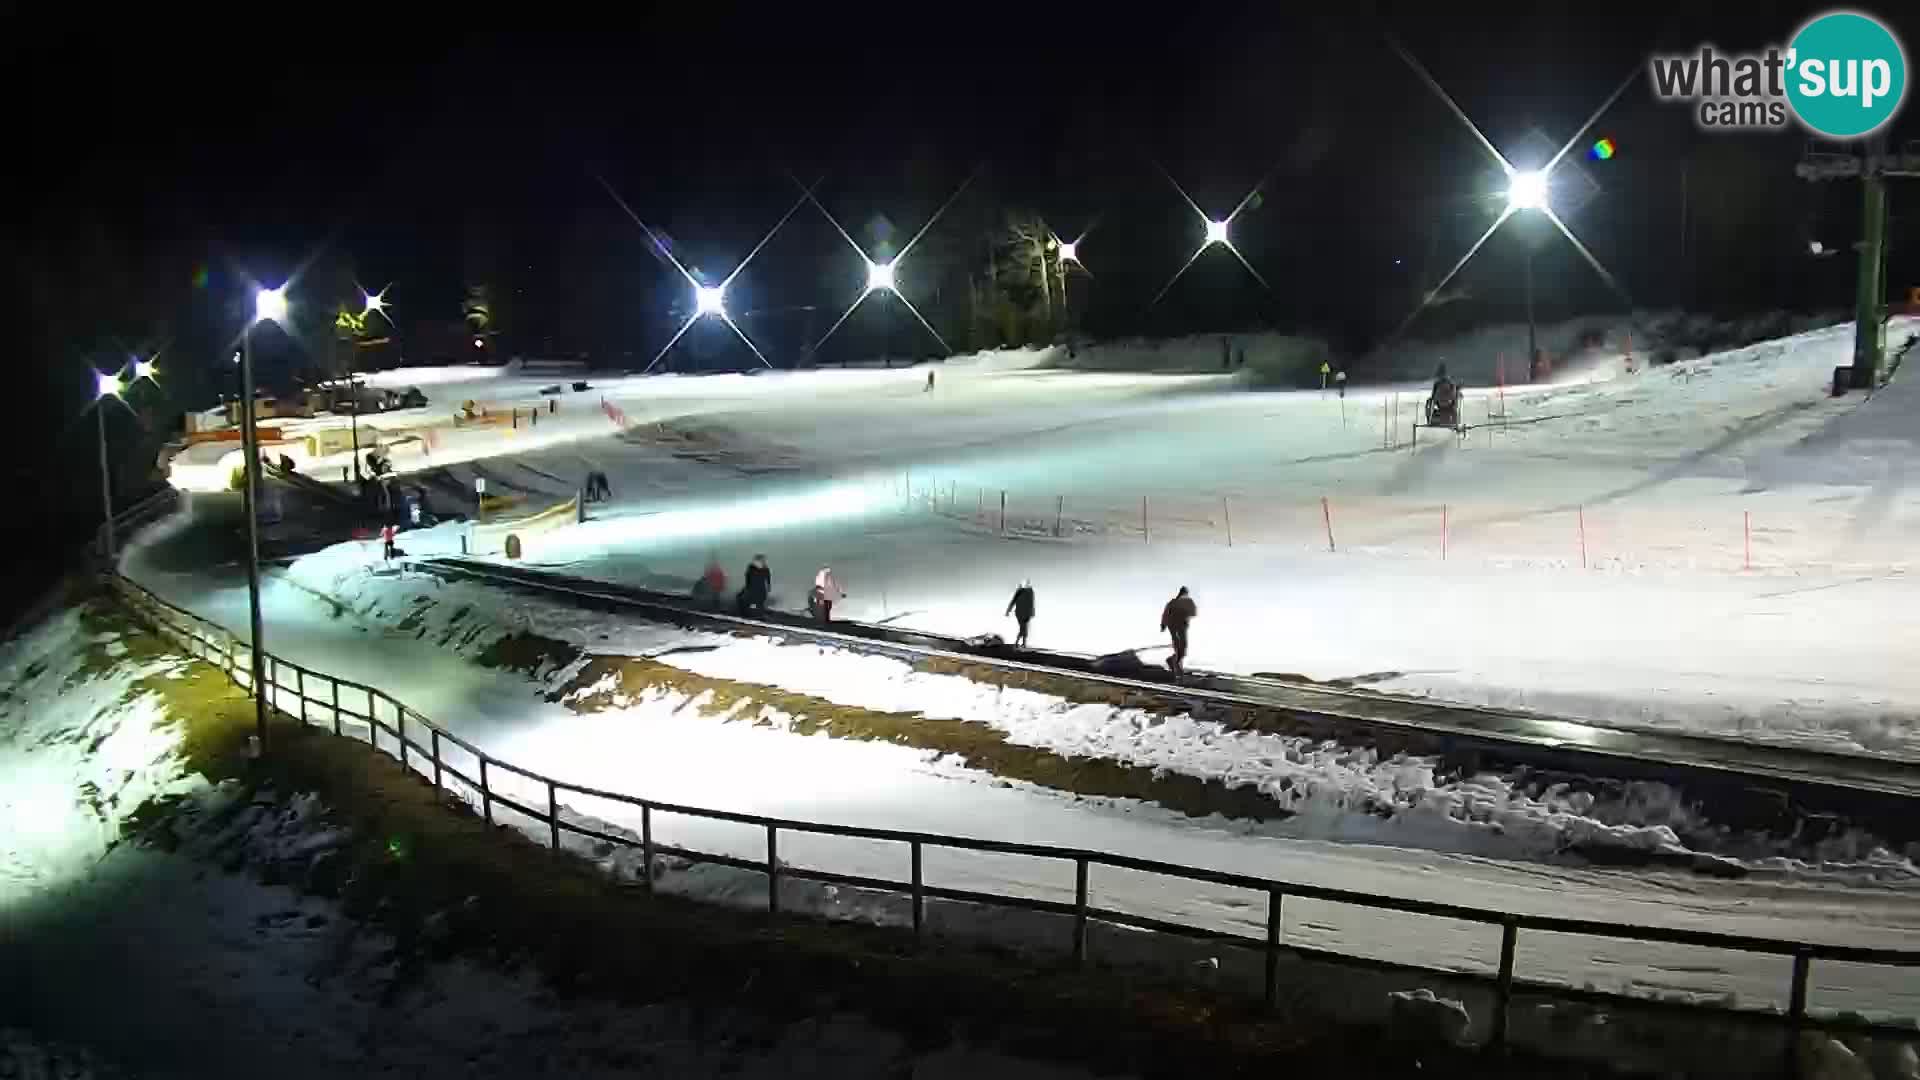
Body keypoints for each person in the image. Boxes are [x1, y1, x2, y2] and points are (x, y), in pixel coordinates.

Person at [1159, 586, 1197, 675]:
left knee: (1179, 648)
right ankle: (1175, 664)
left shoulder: (1175, 602)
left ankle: (1175, 664)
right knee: (1181, 648)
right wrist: (1163, 625)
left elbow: (1193, 613)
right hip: (1178, 627)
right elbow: (1193, 613)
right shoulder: (1180, 602)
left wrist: (1163, 625)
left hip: (1175, 627)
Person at [1005, 579, 1036, 648]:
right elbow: (1013, 601)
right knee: (1023, 628)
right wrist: (1008, 611)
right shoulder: (1020, 591)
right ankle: (1018, 643)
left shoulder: (1030, 591)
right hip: (1020, 612)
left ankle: (1022, 643)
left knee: (1024, 628)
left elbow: (1032, 602)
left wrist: (1032, 612)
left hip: (1027, 613)